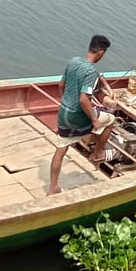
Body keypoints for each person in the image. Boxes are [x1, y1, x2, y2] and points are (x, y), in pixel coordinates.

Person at [48, 34, 116, 195]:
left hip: (63, 112)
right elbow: (83, 99)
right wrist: (94, 120)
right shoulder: (91, 72)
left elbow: (61, 84)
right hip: (78, 117)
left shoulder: (73, 61)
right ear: (100, 53)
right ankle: (98, 153)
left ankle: (53, 188)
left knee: (60, 149)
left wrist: (66, 101)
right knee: (110, 118)